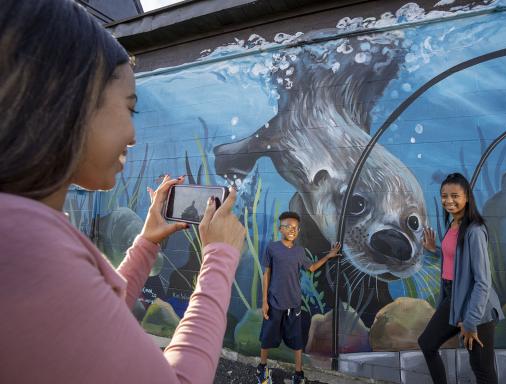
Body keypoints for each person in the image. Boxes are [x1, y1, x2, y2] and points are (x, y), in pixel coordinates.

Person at [0, 1, 245, 383]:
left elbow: (88, 326)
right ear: (69, 101)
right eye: (129, 109)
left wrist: (147, 243)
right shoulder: (24, 241)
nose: (132, 136)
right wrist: (221, 256)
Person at [418, 173, 504, 384]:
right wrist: (434, 250)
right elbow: (458, 260)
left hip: (476, 306)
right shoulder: (453, 224)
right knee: (427, 344)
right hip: (453, 296)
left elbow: (483, 281)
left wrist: (471, 321)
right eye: (444, 196)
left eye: (455, 196)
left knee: (481, 368)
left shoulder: (474, 231)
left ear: (467, 197)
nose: (449, 201)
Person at [256, 211, 341, 384]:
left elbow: (311, 268)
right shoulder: (272, 248)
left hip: (294, 304)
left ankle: (298, 374)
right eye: (288, 226)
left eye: (295, 227)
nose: (292, 230)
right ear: (281, 229)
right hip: (274, 303)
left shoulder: (300, 251)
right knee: (267, 338)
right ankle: (262, 369)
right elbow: (267, 273)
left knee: (297, 340)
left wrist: (328, 256)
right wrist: (264, 301)